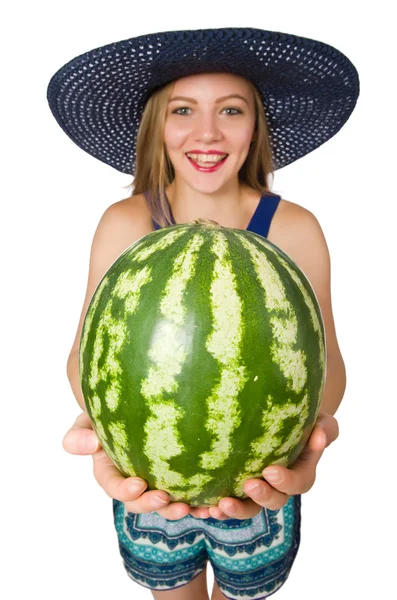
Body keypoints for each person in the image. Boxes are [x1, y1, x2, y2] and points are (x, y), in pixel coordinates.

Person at [47, 27, 358, 600]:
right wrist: (102, 426)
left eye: (231, 110)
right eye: (183, 109)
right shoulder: (124, 222)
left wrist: (312, 438)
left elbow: (325, 361)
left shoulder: (294, 228)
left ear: (256, 125)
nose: (208, 132)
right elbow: (86, 351)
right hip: (150, 479)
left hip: (262, 483)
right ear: (157, 125)